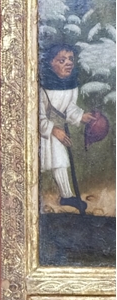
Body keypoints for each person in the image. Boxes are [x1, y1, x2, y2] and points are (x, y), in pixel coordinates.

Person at [39, 43, 105, 214]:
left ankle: (66, 196)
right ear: (50, 63)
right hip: (40, 133)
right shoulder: (42, 87)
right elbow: (35, 116)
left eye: (70, 59)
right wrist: (53, 130)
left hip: (56, 132)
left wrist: (81, 116)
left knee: (60, 158)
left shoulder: (71, 84)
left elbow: (69, 109)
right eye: (62, 60)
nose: (68, 63)